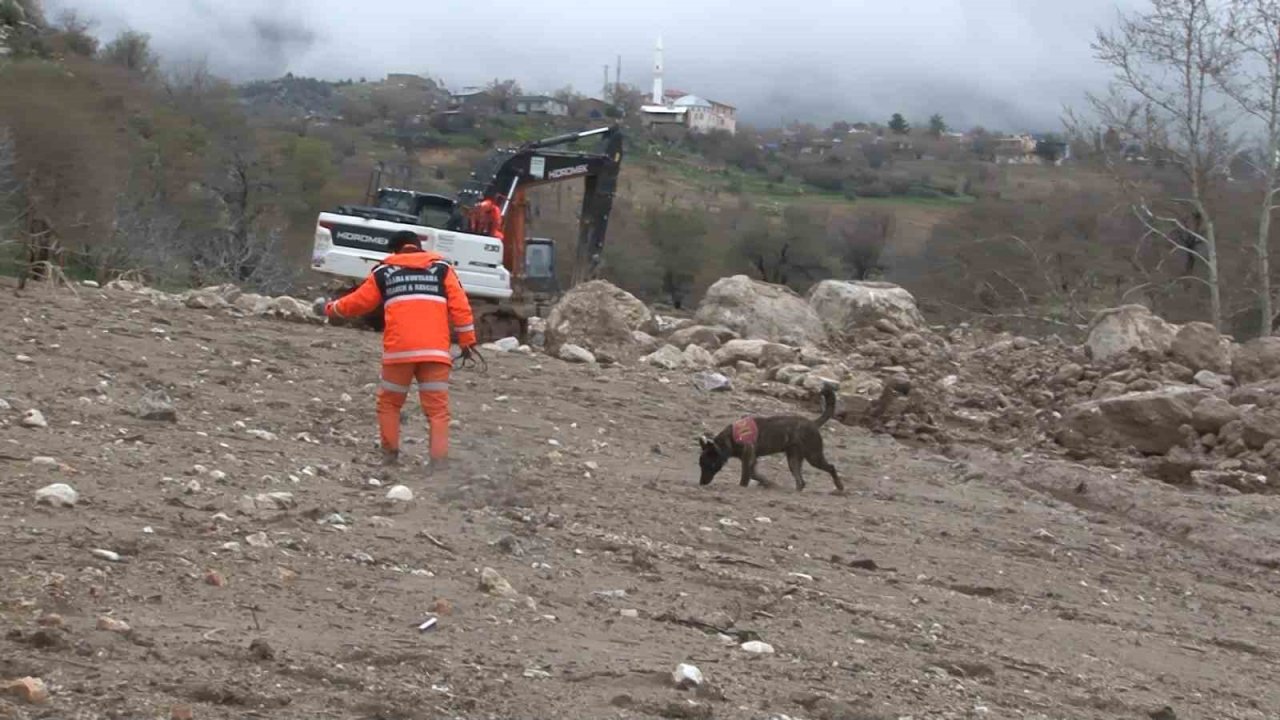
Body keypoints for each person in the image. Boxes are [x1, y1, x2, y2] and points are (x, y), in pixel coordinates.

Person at [321, 230, 477, 470]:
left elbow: (358, 302)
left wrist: (331, 309)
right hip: (435, 353)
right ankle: (438, 463)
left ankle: (390, 457)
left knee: (390, 404)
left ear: (393, 251)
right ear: (418, 247)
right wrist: (467, 341)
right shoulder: (442, 270)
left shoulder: (384, 272)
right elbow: (461, 307)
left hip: (399, 353)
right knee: (437, 410)